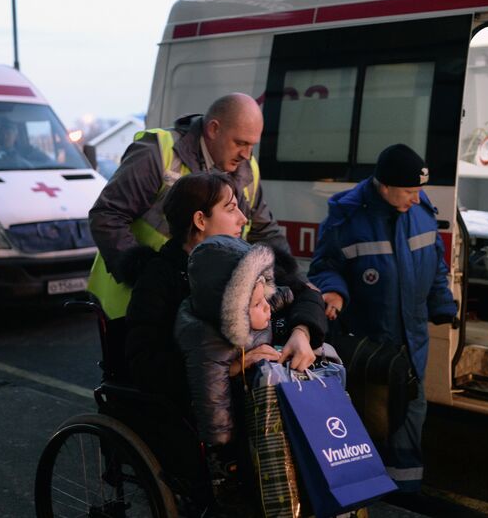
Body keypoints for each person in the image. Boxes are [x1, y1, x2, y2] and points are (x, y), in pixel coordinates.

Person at [308, 144, 457, 502]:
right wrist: (335, 292)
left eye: (418, 189)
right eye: (408, 191)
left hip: (413, 338)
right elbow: (325, 266)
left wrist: (442, 303)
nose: (415, 197)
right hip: (373, 341)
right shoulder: (347, 219)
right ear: (384, 186)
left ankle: (405, 493)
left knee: (411, 410)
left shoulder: (420, 212)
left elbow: (435, 265)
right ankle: (367, 491)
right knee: (373, 416)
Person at [88, 92, 288, 324]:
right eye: (240, 143)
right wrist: (149, 278)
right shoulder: (158, 152)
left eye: (252, 145)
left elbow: (264, 232)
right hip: (131, 302)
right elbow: (107, 215)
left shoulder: (247, 167)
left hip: (192, 308)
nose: (246, 154)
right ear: (213, 129)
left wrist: (295, 281)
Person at [119, 172, 324, 398]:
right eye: (230, 208)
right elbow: (146, 365)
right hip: (200, 407)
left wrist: (302, 332)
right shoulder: (158, 278)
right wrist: (234, 366)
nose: (243, 219)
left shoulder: (248, 259)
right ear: (200, 220)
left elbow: (307, 295)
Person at [173, 234, 322, 514]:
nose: (267, 306)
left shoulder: (247, 305)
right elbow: (212, 402)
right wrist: (222, 445)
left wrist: (289, 296)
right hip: (238, 432)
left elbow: (272, 298)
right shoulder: (208, 343)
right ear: (233, 311)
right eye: (258, 304)